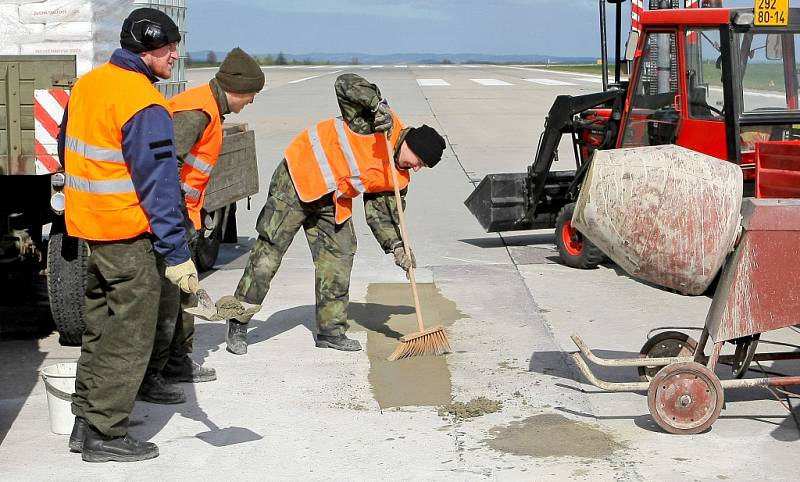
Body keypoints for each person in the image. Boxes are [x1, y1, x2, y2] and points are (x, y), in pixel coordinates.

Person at [57, 8, 197, 462]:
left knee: (100, 328)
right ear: (144, 48)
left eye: (175, 45)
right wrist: (176, 252)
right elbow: (158, 186)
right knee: (130, 336)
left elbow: (65, 148)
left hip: (89, 230)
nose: (174, 54)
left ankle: (86, 420)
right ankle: (105, 434)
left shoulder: (89, 85)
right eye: (166, 47)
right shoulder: (143, 102)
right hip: (127, 234)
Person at [225, 73, 446, 355]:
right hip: (297, 181)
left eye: (422, 167)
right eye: (419, 162)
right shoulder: (375, 124)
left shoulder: (397, 177)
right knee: (269, 254)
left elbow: (381, 215)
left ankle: (331, 331)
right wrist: (377, 105)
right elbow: (344, 83)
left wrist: (397, 247)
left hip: (331, 199)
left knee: (340, 255)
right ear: (411, 146)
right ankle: (238, 321)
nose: (416, 169)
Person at [139, 47, 265, 398]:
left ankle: (177, 361)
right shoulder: (197, 112)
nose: (252, 101)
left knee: (184, 294)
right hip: (170, 220)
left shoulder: (210, 108)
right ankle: (152, 376)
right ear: (236, 88)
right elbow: (164, 167)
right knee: (166, 300)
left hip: (185, 218)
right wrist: (173, 219)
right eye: (252, 93)